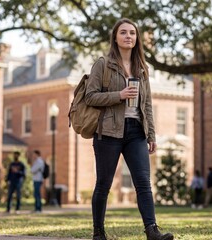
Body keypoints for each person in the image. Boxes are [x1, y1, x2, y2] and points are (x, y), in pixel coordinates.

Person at [85, 18, 173, 240]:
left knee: (143, 183)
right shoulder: (103, 64)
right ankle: (98, 232)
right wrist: (119, 96)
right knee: (103, 184)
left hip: (136, 131)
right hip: (108, 132)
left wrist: (151, 134)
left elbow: (148, 104)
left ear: (137, 39)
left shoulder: (141, 68)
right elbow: (90, 96)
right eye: (123, 32)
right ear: (115, 37)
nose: (128, 36)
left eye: (132, 33)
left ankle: (152, 231)